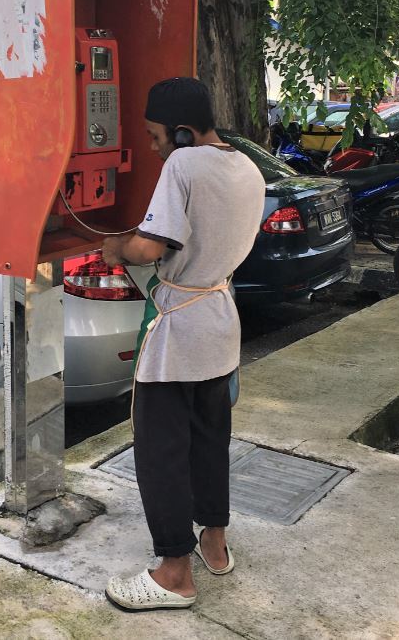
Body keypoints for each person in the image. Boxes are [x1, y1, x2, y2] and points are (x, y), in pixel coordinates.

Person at [102, 77, 266, 612]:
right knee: (208, 441)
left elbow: (150, 247)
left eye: (154, 137)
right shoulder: (246, 165)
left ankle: (174, 571)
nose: (152, 148)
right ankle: (213, 545)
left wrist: (115, 248)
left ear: (181, 132)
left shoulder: (184, 163)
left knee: (161, 452)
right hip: (219, 320)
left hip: (178, 331)